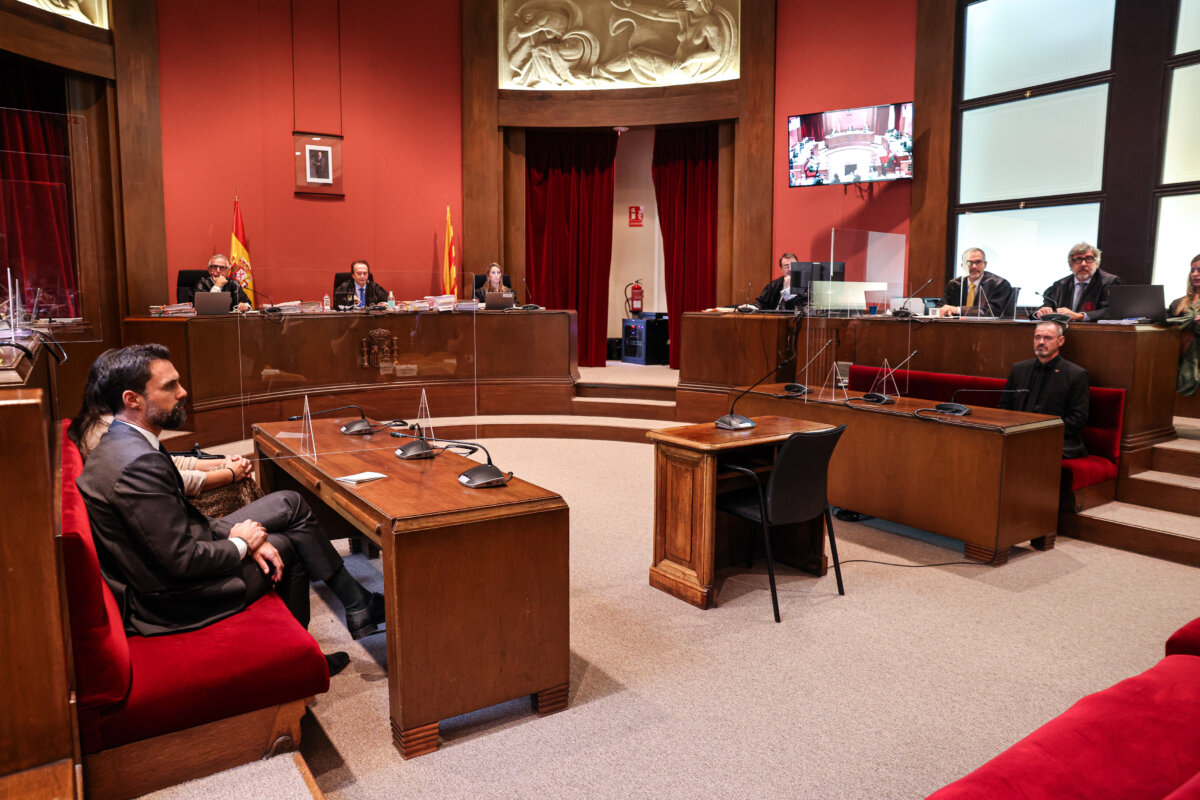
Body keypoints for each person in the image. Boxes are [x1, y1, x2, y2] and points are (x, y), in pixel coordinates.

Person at [75, 344, 386, 675]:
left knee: (287, 503)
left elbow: (182, 519)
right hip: (170, 600)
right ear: (132, 400)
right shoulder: (137, 463)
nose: (183, 392)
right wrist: (242, 544)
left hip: (171, 563)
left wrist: (238, 534)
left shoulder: (125, 440)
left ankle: (354, 608)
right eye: (169, 386)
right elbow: (181, 561)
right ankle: (299, 667)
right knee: (288, 546)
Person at [68, 349, 262, 518]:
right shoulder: (109, 435)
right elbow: (173, 481)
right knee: (242, 488)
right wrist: (228, 474)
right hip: (169, 512)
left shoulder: (108, 420)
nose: (182, 392)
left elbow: (164, 461)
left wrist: (221, 462)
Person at [997, 320, 1090, 458]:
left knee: (1029, 451)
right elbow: (1004, 407)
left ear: (1060, 341)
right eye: (1037, 337)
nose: (1041, 342)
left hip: (1056, 440)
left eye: (1048, 338)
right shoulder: (1019, 369)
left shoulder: (1075, 374)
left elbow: (1077, 419)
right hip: (1016, 435)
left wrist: (1039, 433)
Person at [1034, 242, 1121, 322]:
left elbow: (1112, 311)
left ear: (1097, 263)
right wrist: (1040, 312)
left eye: (1089, 259)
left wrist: (1080, 316)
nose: (1083, 264)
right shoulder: (1060, 285)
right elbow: (1047, 305)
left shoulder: (1110, 282)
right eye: (1078, 259)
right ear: (1071, 264)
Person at [938, 247, 1014, 317]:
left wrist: (958, 310)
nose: (974, 266)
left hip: (987, 329)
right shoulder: (954, 284)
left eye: (978, 262)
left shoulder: (999, 284)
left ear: (985, 264)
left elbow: (992, 312)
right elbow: (941, 307)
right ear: (962, 265)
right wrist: (945, 311)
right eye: (969, 262)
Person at [1167, 253, 1200, 396]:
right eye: (1192, 270)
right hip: (1175, 355)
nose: (1195, 274)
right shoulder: (1178, 303)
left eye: (1199, 270)